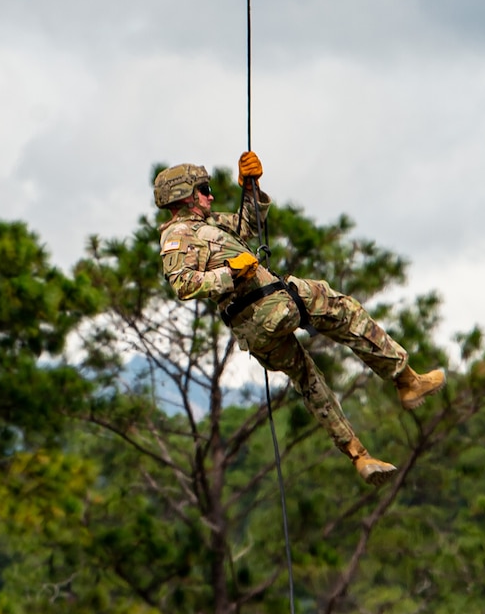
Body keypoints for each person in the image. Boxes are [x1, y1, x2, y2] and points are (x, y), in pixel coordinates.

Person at [153, 153, 445, 486]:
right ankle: (406, 380)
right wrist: (229, 275)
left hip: (256, 329)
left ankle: (359, 456)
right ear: (184, 196)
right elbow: (183, 284)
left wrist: (251, 189)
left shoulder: (207, 226)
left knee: (309, 382)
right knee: (344, 310)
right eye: (204, 190)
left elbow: (247, 228)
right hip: (268, 304)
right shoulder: (177, 237)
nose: (210, 195)